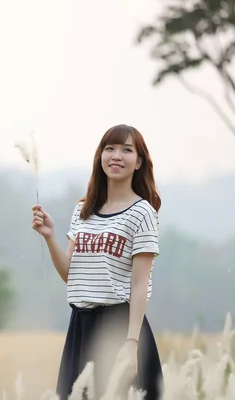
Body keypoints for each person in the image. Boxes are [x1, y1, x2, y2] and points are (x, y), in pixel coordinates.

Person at [31, 124, 164, 399]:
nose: (116, 156)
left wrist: (131, 343)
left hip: (119, 326)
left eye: (126, 150)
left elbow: (140, 285)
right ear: (100, 156)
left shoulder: (142, 213)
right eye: (110, 148)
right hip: (80, 326)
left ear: (138, 162)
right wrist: (50, 237)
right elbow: (71, 274)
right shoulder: (83, 210)